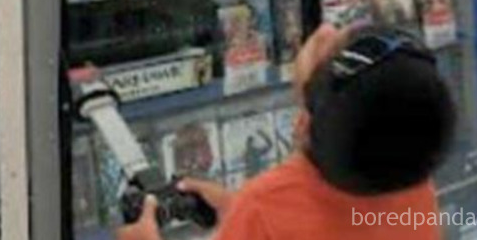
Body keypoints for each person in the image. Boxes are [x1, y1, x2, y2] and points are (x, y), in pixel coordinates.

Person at [118, 23, 455, 240]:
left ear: (302, 125)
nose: (325, 29)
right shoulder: (414, 188)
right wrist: (239, 212)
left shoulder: (263, 206)